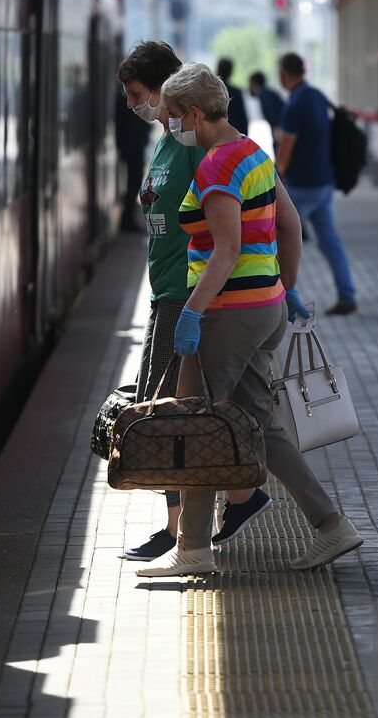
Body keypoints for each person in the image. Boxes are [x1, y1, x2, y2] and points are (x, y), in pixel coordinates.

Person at [135, 63, 363, 576]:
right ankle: (332, 526)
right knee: (260, 422)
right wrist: (289, 285)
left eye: (174, 118)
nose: (172, 127)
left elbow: (226, 250)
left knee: (196, 423)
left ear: (194, 112)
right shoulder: (253, 153)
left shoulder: (215, 166)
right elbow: (290, 223)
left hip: (226, 313)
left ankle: (193, 549)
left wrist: (191, 312)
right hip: (266, 308)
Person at [114, 43, 268, 562]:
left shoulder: (196, 145)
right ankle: (239, 499)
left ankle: (182, 529)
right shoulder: (165, 143)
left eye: (139, 96)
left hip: (187, 294)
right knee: (209, 409)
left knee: (170, 415)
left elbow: (247, 212)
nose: (135, 106)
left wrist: (280, 283)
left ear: (165, 93)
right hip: (166, 293)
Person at [276, 52, 357, 315]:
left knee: (277, 238)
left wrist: (276, 176)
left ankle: (275, 300)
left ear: (284, 75)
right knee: (329, 240)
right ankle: (347, 295)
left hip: (301, 185)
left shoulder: (294, 106)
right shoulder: (316, 96)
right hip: (324, 181)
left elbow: (285, 154)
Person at [113, 85, 152, 233]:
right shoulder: (127, 100)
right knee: (133, 181)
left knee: (134, 182)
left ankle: (127, 216)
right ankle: (127, 218)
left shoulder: (126, 98)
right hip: (133, 147)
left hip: (133, 147)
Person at [214, 56, 250, 136]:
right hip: (234, 134)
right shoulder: (236, 92)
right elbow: (242, 118)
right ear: (230, 72)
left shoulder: (210, 91)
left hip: (215, 135)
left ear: (217, 70)